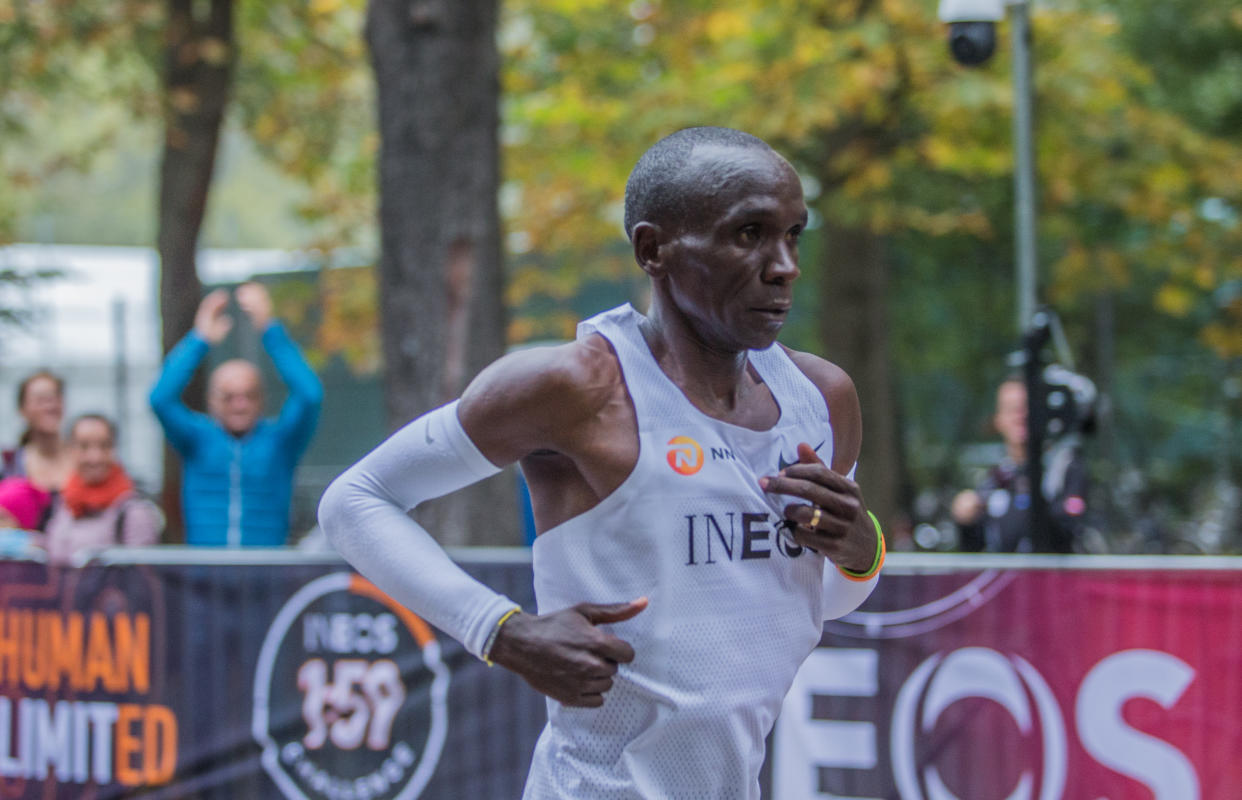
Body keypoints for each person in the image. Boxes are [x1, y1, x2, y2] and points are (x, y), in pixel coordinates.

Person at [319, 126, 884, 799]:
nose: (784, 264)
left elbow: (829, 597)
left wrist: (858, 547)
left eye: (794, 235)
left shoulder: (821, 400)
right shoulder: (576, 388)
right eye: (749, 234)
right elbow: (355, 501)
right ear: (654, 249)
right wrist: (501, 630)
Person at [150, 282, 323, 546]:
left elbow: (309, 395)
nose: (239, 405)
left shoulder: (280, 442)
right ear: (211, 401)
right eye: (228, 397)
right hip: (206, 575)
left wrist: (269, 328)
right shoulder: (197, 439)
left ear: (262, 400)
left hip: (264, 573)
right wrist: (200, 339)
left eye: (249, 395)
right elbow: (160, 398)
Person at [951, 376, 1089, 552]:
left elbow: (1067, 530)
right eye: (1012, 410)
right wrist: (966, 522)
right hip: (1009, 578)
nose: (1020, 416)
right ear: (998, 420)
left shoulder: (1064, 468)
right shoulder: (995, 477)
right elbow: (978, 548)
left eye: (1027, 408)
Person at [41, 414, 162, 566]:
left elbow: (142, 576)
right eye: (84, 446)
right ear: (69, 450)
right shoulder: (64, 503)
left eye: (104, 446)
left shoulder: (133, 511)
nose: (95, 457)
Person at [2, 370, 73, 496]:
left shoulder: (86, 459)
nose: (49, 406)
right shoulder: (11, 466)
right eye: (40, 400)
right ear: (22, 410)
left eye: (54, 398)